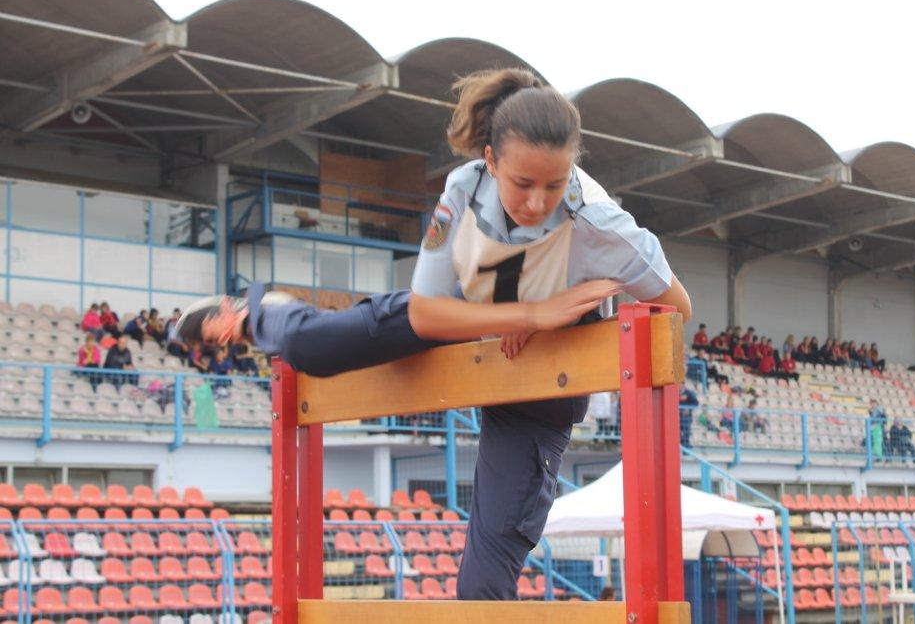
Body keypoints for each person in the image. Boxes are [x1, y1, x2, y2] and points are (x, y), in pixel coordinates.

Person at [173, 68, 692, 601]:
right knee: (311, 350)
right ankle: (255, 315)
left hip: (546, 377)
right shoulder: (464, 189)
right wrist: (524, 313)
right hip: (464, 307)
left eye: (554, 186)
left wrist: (584, 309)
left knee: (482, 590)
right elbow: (426, 315)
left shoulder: (604, 225)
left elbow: (675, 310)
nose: (537, 203)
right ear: (490, 162)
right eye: (521, 185)